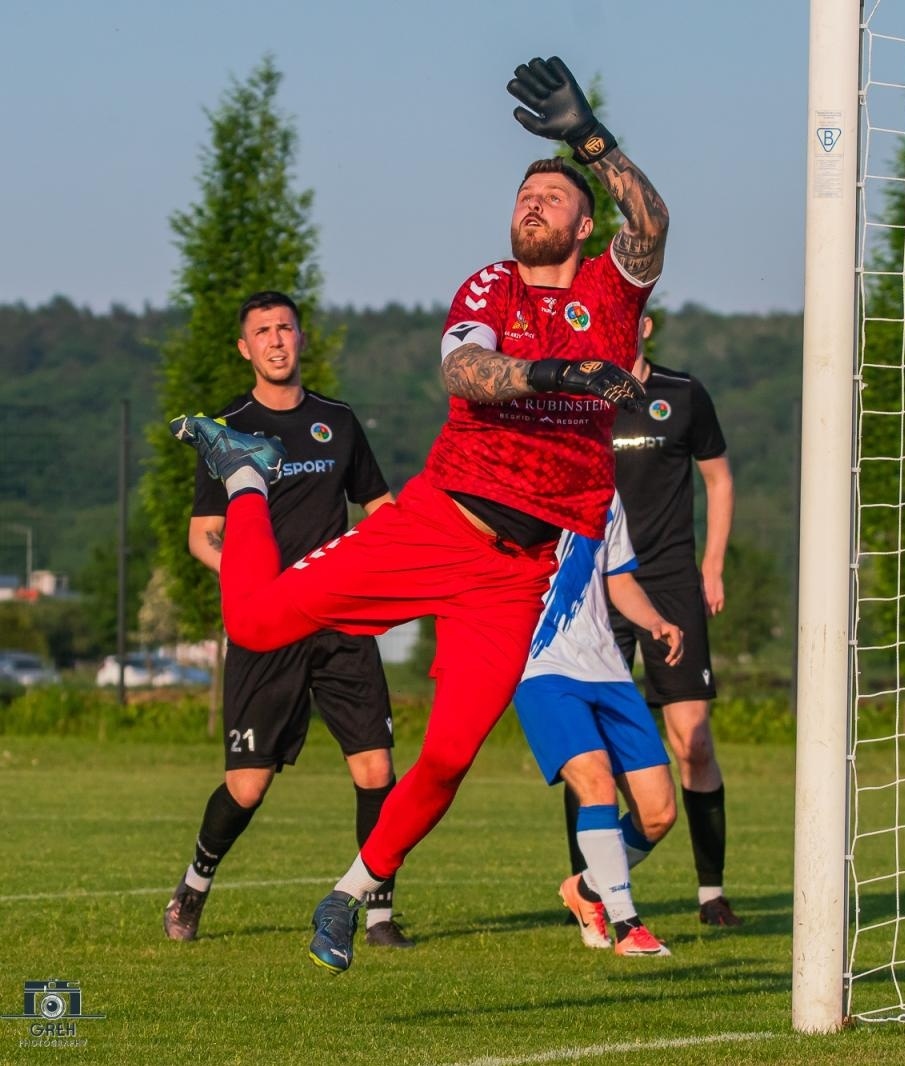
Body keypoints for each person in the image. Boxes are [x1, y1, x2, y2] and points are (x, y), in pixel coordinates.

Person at [169, 55, 667, 973]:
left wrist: (588, 141)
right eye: (525, 190)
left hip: (517, 574)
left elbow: (652, 223)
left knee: (444, 760)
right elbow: (464, 370)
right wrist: (555, 372)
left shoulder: (611, 292)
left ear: (584, 220)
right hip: (441, 522)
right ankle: (244, 473)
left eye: (553, 194)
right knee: (254, 617)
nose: (534, 200)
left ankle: (349, 892)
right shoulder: (491, 287)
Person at [163, 291, 411, 949]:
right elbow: (202, 535)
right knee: (247, 785)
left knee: (377, 769)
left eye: (285, 328)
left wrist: (383, 551)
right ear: (245, 348)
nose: (276, 340)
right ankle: (194, 885)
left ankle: (377, 912)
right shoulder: (230, 429)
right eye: (262, 331)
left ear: (301, 339)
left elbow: (379, 505)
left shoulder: (338, 420)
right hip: (270, 622)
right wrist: (250, 585)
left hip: (339, 615)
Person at [566, 310, 742, 926]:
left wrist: (712, 565)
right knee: (589, 754)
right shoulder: (576, 400)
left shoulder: (683, 393)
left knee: (691, 742)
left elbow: (718, 480)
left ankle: (710, 892)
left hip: (669, 584)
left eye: (628, 315)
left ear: (645, 325)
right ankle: (591, 895)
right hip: (594, 585)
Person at [513, 491, 681, 957]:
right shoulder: (514, 482)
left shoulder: (604, 492)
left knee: (659, 813)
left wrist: (654, 621)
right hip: (540, 667)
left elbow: (619, 579)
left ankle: (585, 891)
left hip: (608, 671)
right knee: (596, 782)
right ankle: (629, 926)